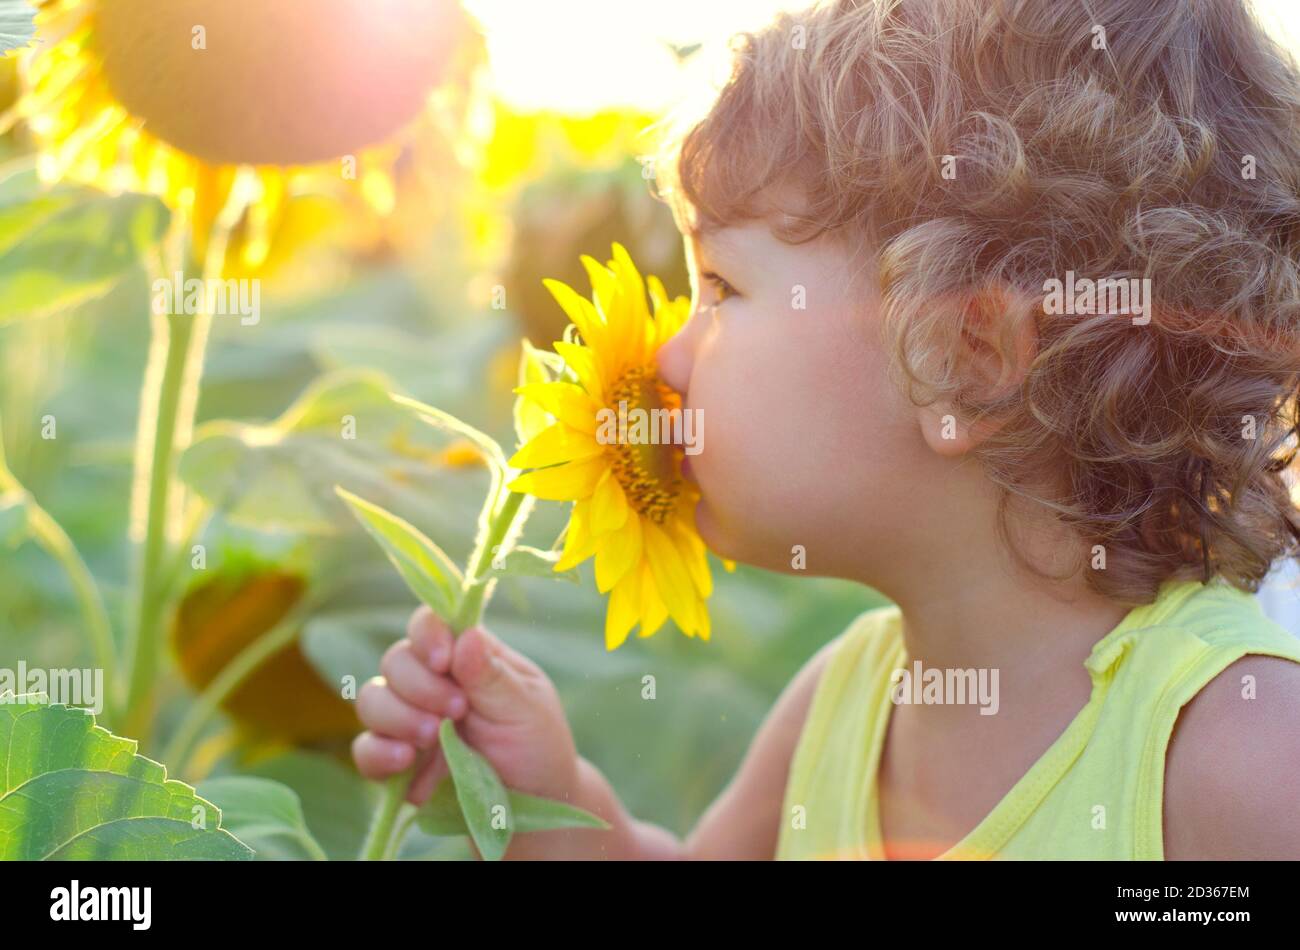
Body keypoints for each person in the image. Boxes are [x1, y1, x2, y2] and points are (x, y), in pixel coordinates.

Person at [354, 0, 1300, 859]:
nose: (668, 362)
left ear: (963, 360)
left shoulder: (1232, 754)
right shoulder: (844, 702)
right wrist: (543, 804)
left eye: (720, 288)